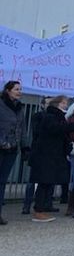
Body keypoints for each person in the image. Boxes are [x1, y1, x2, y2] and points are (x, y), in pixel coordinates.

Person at [28, 96, 74, 223]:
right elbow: (58, 129)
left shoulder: (57, 116)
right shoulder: (50, 116)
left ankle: (42, 208)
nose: (65, 105)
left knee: (47, 182)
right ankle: (38, 210)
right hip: (46, 154)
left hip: (52, 154)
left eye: (66, 103)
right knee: (43, 182)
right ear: (56, 104)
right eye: (63, 103)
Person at [0, 81, 28, 225]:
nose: (19, 91)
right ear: (8, 91)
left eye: (20, 89)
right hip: (2, 146)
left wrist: (24, 147)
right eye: (17, 89)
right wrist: (3, 142)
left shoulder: (19, 108)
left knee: (2, 181)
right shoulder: (1, 105)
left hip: (12, 149)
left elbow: (22, 129)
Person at [22, 96, 53, 215]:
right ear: (42, 105)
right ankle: (27, 205)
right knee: (32, 179)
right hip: (38, 151)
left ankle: (47, 203)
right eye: (48, 103)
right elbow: (36, 131)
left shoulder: (54, 117)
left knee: (49, 179)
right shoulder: (38, 116)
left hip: (50, 152)